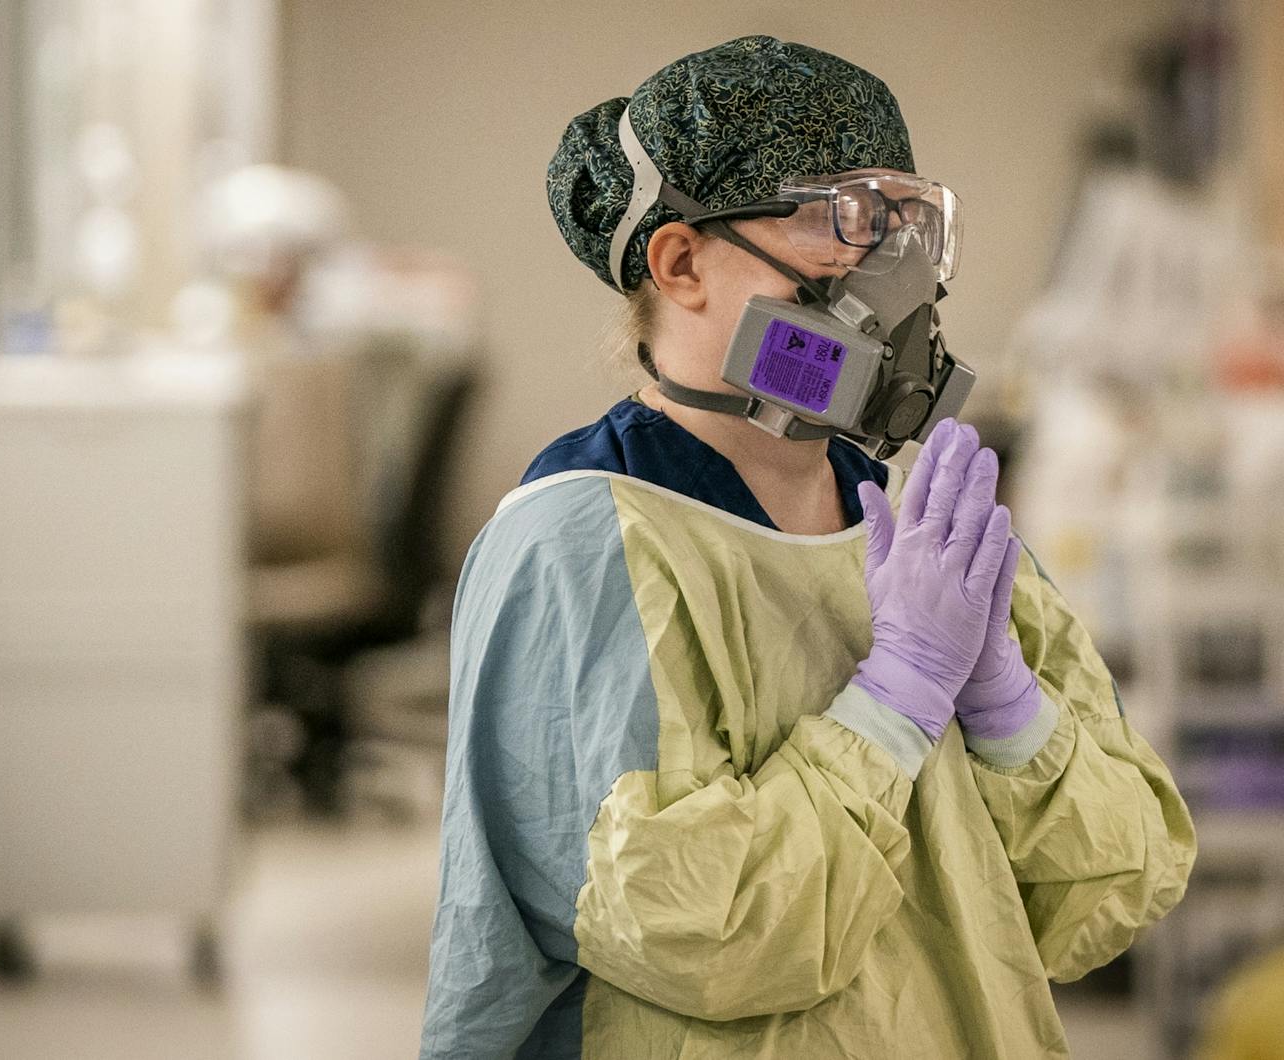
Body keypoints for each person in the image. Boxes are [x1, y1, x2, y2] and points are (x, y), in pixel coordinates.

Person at [420, 35, 1197, 1059]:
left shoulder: (930, 535)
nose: (885, 274)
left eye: (899, 222)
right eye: (833, 221)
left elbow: (1113, 886)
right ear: (681, 261)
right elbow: (702, 934)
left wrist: (1005, 711)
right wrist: (894, 703)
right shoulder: (577, 546)